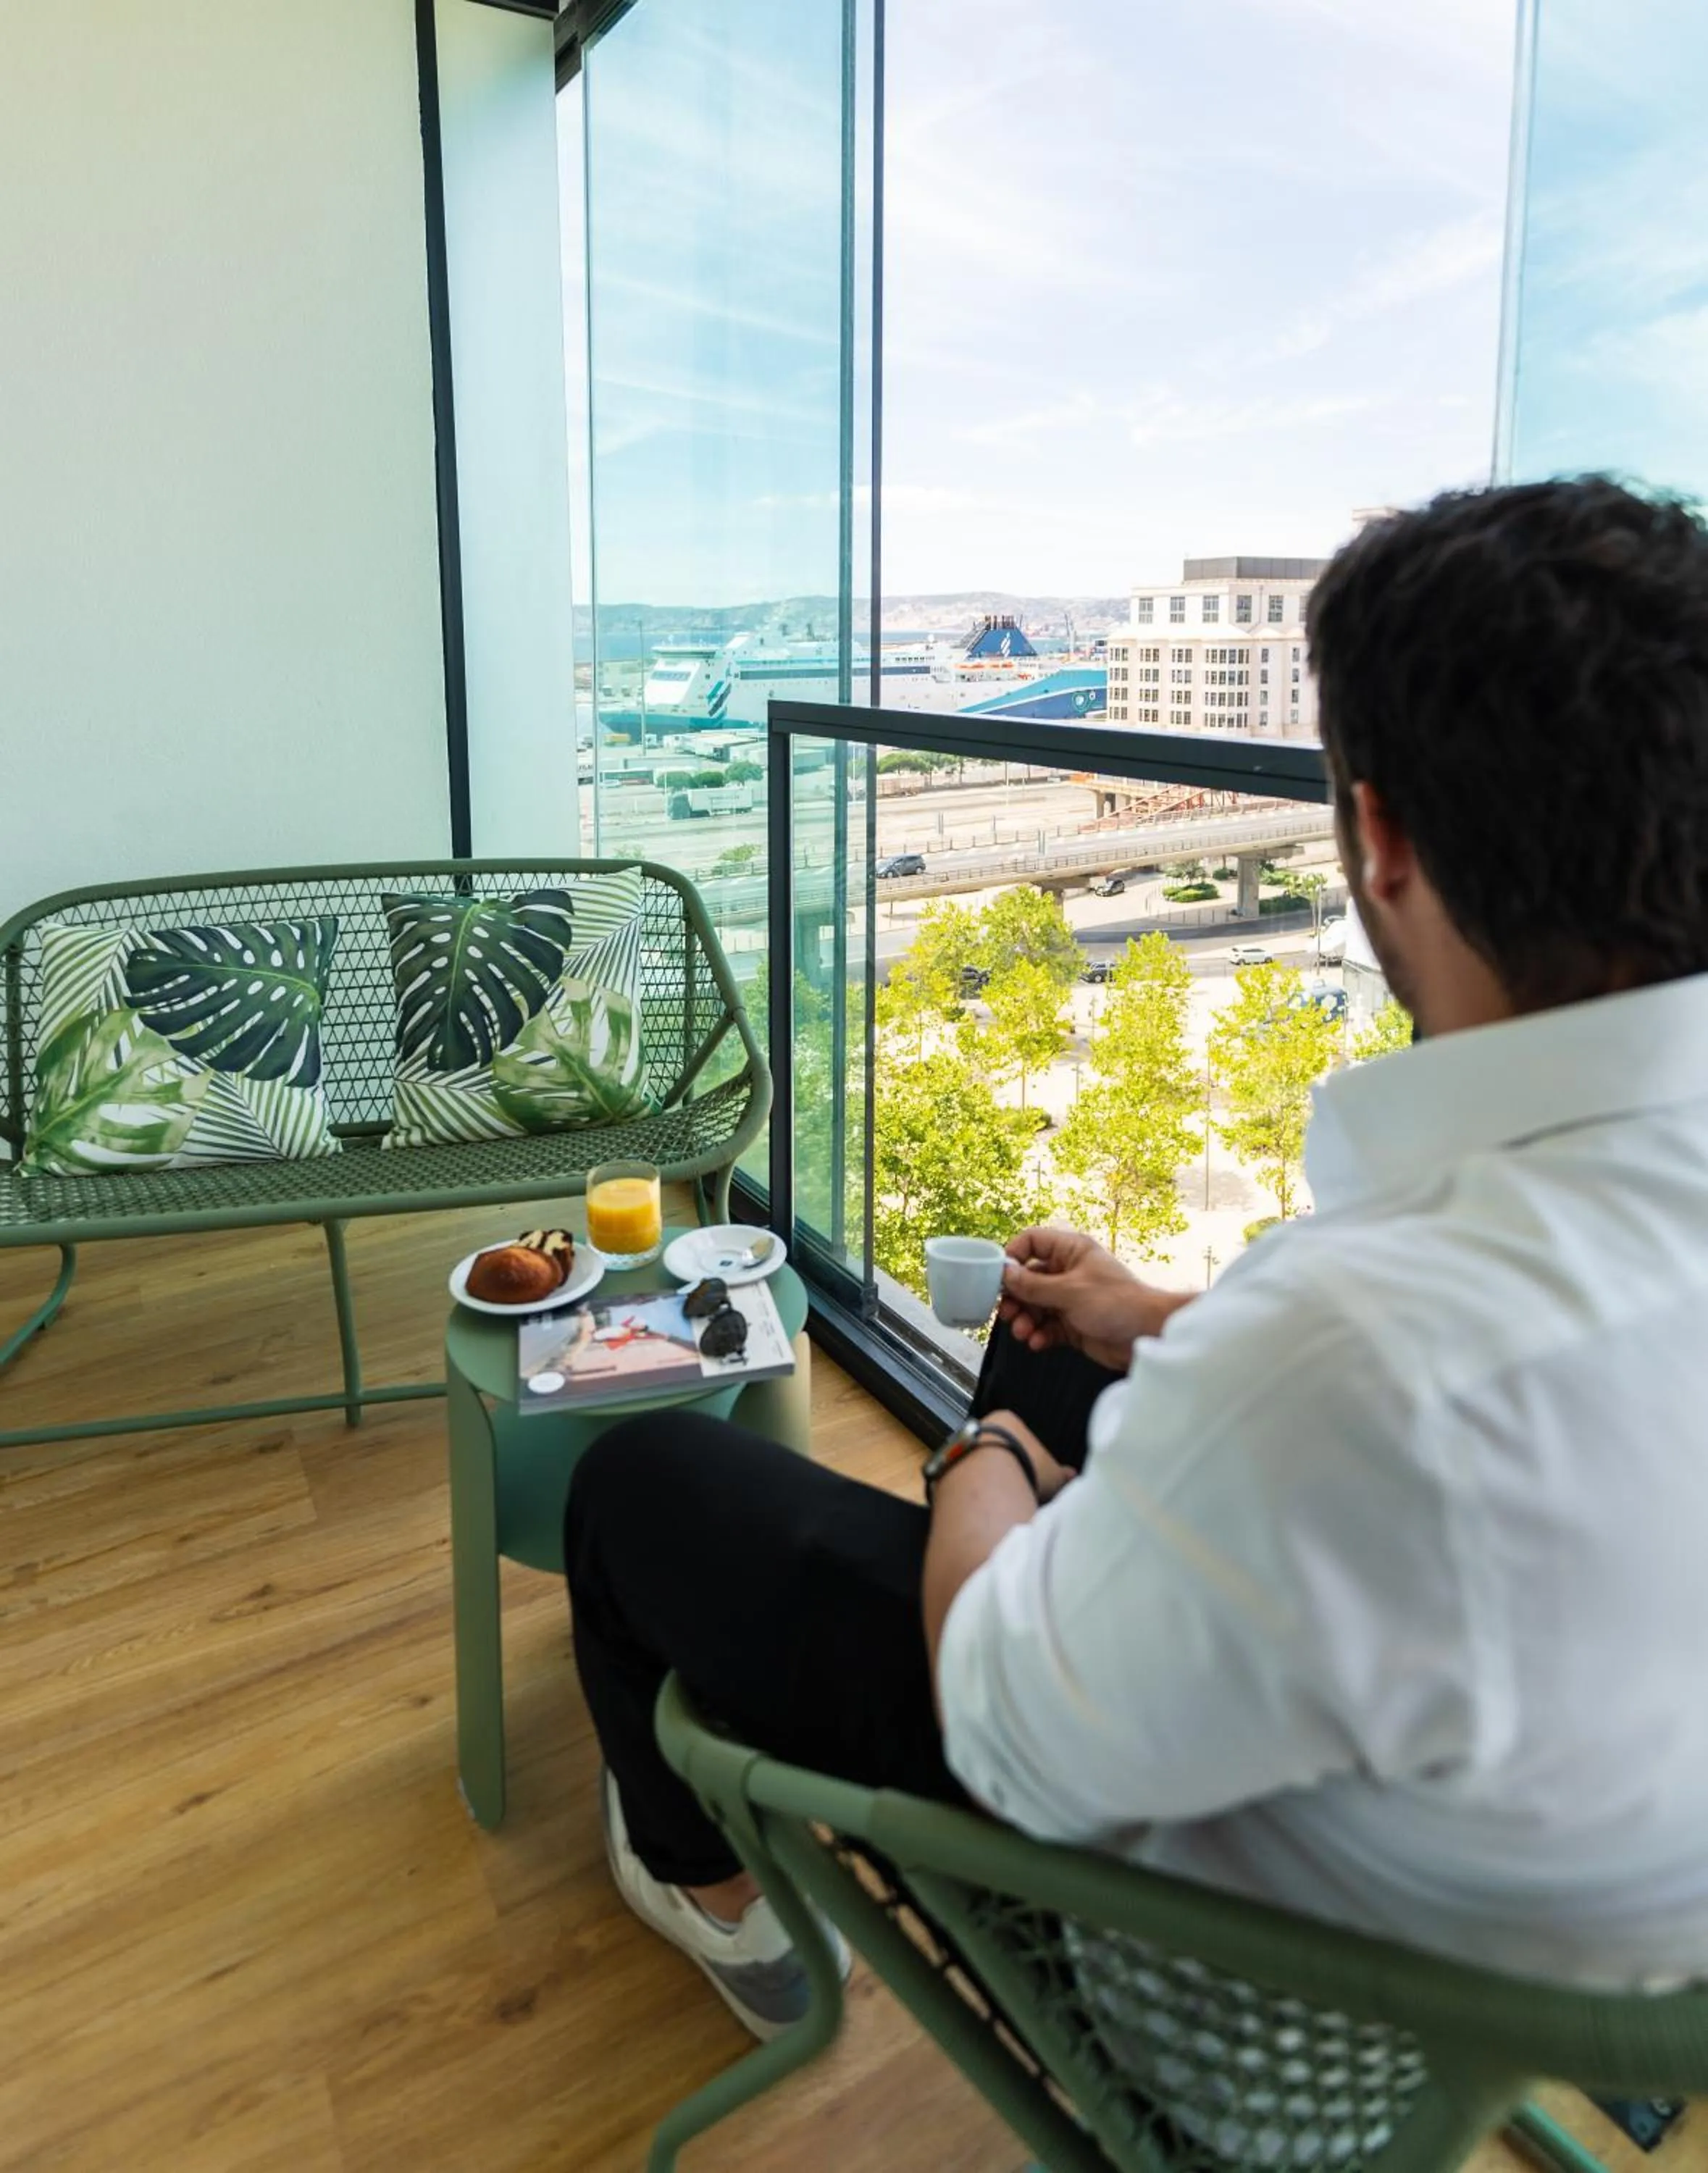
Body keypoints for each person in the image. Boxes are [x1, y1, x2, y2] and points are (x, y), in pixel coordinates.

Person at [566, 477, 1708, 2040]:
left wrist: (990, 1463)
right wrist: (1151, 1320)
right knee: (1053, 1326)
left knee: (639, 1488)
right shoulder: (1501, 1269)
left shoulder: (1361, 1351)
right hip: (1517, 1864)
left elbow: (1006, 1719)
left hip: (1221, 1976)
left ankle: (713, 1895)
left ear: (1376, 835)